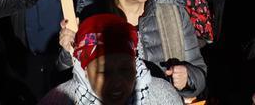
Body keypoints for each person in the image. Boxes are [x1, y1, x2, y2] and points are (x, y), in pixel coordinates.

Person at [60, 0, 207, 99]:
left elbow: (199, 73)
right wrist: (68, 51)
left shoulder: (173, 12)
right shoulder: (93, 22)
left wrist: (187, 78)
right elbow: (69, 80)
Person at [40, 14, 182, 104]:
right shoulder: (59, 100)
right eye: (104, 71)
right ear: (85, 70)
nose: (116, 81)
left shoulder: (162, 97)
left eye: (125, 69)